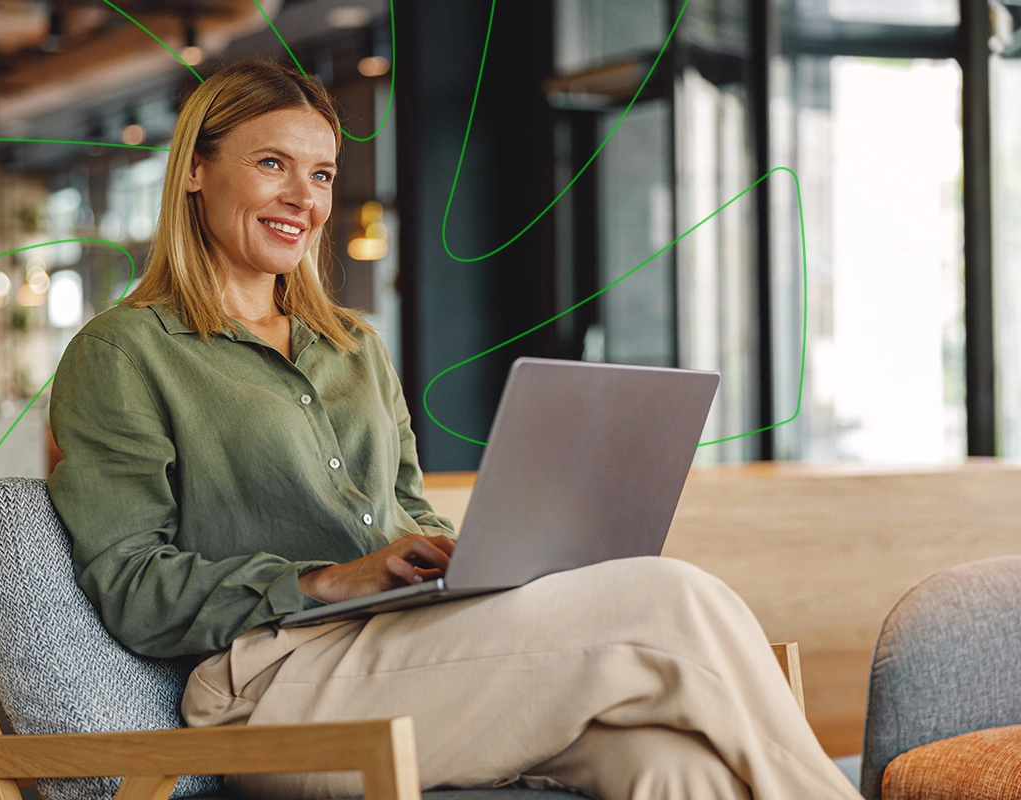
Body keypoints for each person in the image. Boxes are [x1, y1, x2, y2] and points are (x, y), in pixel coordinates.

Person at [44, 58, 860, 800]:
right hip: (272, 691)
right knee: (670, 598)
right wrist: (329, 580)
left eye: (322, 173)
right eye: (272, 164)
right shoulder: (123, 353)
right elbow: (130, 587)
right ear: (194, 171)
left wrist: (467, 561)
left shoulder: (353, 347)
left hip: (413, 649)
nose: (305, 198)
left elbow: (408, 512)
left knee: (672, 767)